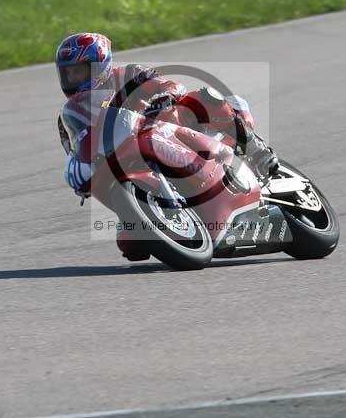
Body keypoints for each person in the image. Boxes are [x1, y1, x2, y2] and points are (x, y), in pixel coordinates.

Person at [55, 32, 278, 260]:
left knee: (201, 98)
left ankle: (255, 149)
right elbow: (75, 150)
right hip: (123, 158)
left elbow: (167, 85)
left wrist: (164, 96)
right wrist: (80, 173)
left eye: (78, 70)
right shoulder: (70, 117)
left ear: (99, 65)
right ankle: (171, 217)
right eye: (68, 73)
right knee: (131, 245)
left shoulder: (128, 74)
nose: (72, 78)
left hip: (166, 128)